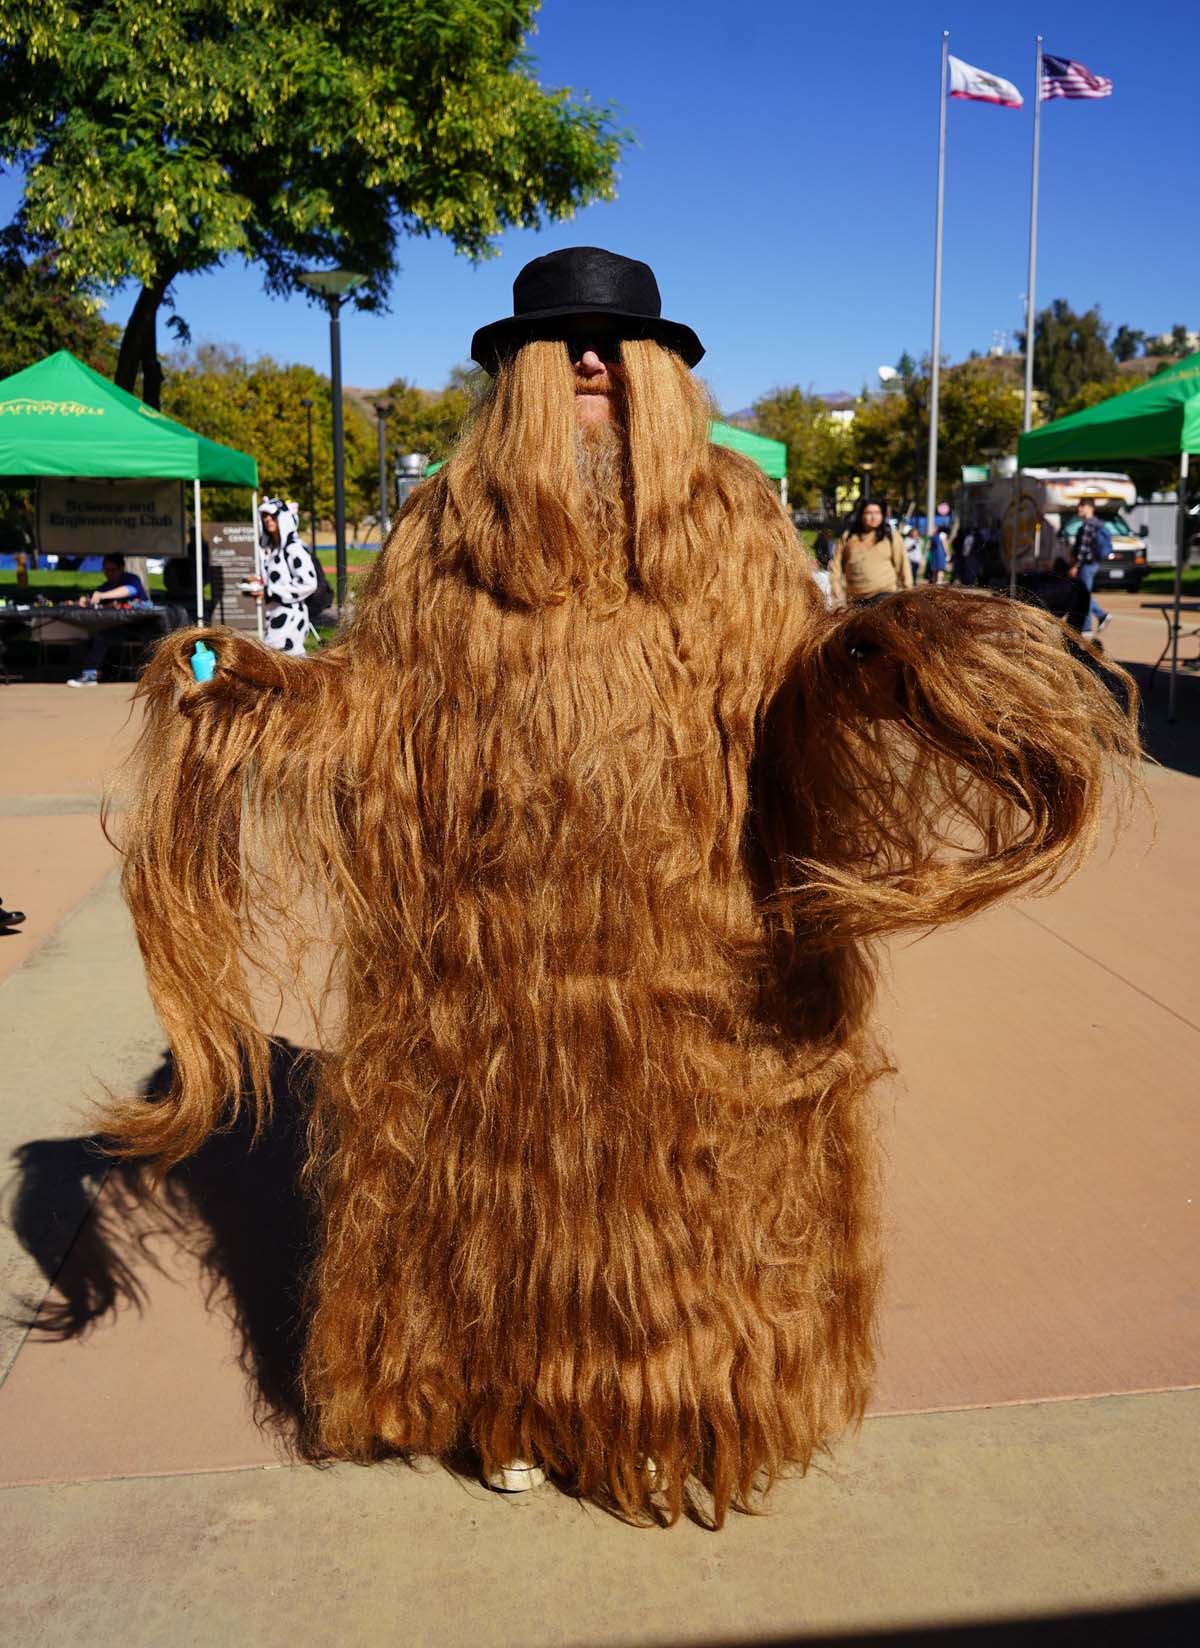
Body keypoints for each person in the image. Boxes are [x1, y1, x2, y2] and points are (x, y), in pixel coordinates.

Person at [109, 246, 1137, 1527]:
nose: (591, 358)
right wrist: (263, 694)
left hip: (697, 959)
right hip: (487, 963)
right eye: (563, 342)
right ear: (517, 374)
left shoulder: (736, 521)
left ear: (662, 369)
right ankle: (506, 1404)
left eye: (615, 339)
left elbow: (786, 689)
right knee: (495, 1198)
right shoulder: (439, 535)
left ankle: (667, 1415)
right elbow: (379, 709)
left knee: (686, 1207)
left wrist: (877, 665)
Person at [66, 554, 150, 687]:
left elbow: (130, 590)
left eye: (112, 570)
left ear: (121, 568)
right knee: (98, 637)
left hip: (143, 626)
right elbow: (94, 598)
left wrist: (102, 595)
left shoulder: (132, 579)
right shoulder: (106, 586)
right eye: (105, 570)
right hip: (119, 628)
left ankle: (154, 675)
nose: (108, 573)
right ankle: (90, 675)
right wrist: (84, 601)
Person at [250, 498, 319, 653]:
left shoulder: (294, 548)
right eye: (265, 516)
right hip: (271, 616)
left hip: (290, 618)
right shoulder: (270, 549)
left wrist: (270, 591)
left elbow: (309, 583)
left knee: (286, 661)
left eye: (272, 515)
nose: (268, 519)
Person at [828, 499, 912, 604]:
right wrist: (835, 586)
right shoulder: (849, 536)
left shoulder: (890, 535)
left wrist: (908, 592)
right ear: (861, 515)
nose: (873, 517)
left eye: (877, 513)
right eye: (869, 513)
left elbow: (903, 564)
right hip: (855, 599)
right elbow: (835, 565)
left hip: (884, 596)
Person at [1070, 498, 1112, 636]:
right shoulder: (1097, 524)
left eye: (1082, 506)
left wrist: (1076, 566)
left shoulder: (1089, 525)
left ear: (1090, 508)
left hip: (1086, 565)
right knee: (1083, 594)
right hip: (1093, 563)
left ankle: (1087, 627)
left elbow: (1083, 550)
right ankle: (1101, 616)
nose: (1079, 508)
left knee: (1084, 596)